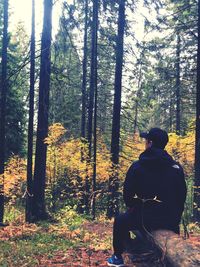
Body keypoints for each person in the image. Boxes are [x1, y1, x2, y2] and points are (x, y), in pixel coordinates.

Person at [107, 128, 187, 267]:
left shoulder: (137, 166)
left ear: (150, 143)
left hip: (144, 218)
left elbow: (128, 196)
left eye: (146, 141)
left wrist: (136, 209)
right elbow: (181, 197)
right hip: (170, 220)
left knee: (120, 220)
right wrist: (175, 217)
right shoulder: (176, 167)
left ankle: (118, 257)